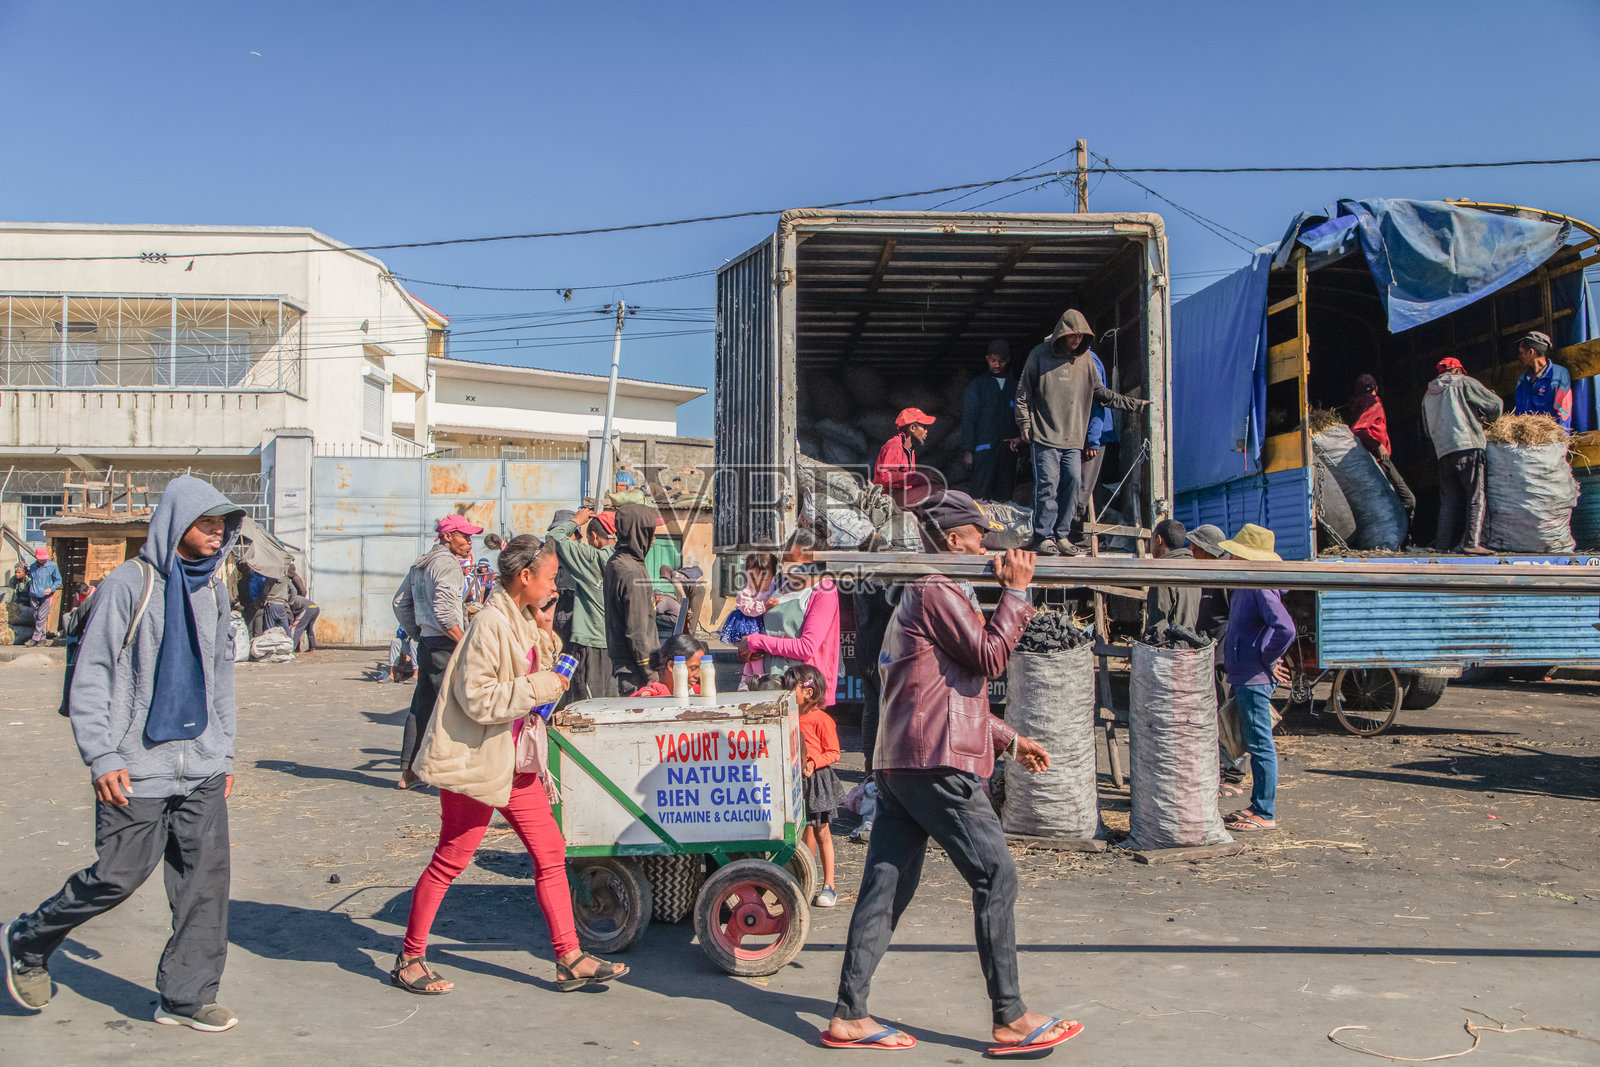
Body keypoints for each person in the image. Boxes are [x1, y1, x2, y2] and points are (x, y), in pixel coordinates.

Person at [826, 491, 1077, 1056]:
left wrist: (1011, 741)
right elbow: (990, 659)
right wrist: (1016, 594)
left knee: (887, 887)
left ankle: (848, 1014)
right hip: (935, 763)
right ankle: (1011, 1017)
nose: (986, 544)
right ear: (954, 538)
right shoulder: (936, 588)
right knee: (996, 875)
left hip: (903, 762)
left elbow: (945, 695)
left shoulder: (929, 594)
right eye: (978, 535)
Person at [4, 477, 245, 1030]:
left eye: (222, 524)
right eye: (205, 521)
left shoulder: (213, 589)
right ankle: (29, 937)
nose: (216, 533)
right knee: (117, 875)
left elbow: (220, 675)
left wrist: (223, 752)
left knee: (205, 887)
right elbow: (92, 675)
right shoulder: (128, 584)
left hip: (202, 766)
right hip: (135, 767)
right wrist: (103, 755)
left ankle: (185, 998)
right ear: (175, 523)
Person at [396, 534, 629, 996]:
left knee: (550, 854)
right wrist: (542, 686)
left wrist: (545, 634)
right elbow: (479, 699)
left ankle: (569, 957)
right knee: (451, 859)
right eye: (549, 577)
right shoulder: (488, 624)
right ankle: (409, 957)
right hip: (478, 765)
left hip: (517, 763)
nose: (554, 585)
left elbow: (534, 671)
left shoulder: (519, 619)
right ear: (525, 577)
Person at [1015, 309, 1147, 557]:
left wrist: (1134, 404)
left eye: (1081, 336)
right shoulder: (1039, 355)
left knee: (1074, 483)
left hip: (1073, 440)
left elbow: (1102, 394)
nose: (1076, 340)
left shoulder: (1086, 359)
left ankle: (1062, 536)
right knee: (1048, 487)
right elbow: (1022, 394)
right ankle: (1044, 536)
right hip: (1045, 437)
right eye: (1072, 335)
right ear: (1062, 333)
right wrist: (1025, 425)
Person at [393, 513, 483, 789]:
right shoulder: (447, 565)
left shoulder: (421, 564)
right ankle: (452, 771)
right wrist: (465, 641)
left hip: (430, 644)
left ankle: (409, 772)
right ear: (447, 537)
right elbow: (445, 613)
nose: (469, 542)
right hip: (446, 645)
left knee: (422, 707)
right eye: (464, 536)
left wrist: (419, 633)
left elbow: (400, 603)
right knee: (457, 708)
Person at [1216, 524, 1296, 833]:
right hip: (1248, 675)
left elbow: (1285, 628)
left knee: (1261, 746)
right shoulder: (1247, 586)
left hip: (1253, 677)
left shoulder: (1259, 587)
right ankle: (1258, 805)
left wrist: (1266, 656)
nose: (1231, 560)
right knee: (1254, 742)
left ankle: (1265, 812)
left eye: (1236, 555)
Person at [739, 530, 840, 708]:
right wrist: (752, 650)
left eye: (795, 563)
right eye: (785, 561)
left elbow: (806, 647)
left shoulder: (824, 590)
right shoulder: (780, 586)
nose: (787, 569)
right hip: (768, 683)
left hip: (801, 691)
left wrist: (758, 641)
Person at [1186, 523, 1245, 797]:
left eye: (1194, 545)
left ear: (1205, 549)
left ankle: (1232, 775)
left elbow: (1236, 617)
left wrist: (1229, 653)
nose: (1190, 549)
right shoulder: (1209, 571)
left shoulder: (1224, 576)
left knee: (1225, 714)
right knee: (1215, 713)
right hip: (1212, 652)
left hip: (1222, 656)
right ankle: (1221, 770)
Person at [1422, 357, 1503, 555]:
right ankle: (1471, 543)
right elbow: (1495, 404)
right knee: (1476, 497)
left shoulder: (1428, 394)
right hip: (1468, 446)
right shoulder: (1463, 383)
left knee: (1449, 501)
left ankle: (1441, 546)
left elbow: (1426, 429)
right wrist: (1488, 421)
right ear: (1457, 370)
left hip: (1443, 452)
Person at [546, 506, 618, 702]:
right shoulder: (624, 558)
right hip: (604, 641)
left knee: (586, 700)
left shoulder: (588, 558)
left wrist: (576, 521)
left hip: (589, 640)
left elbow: (554, 537)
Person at [789, 662, 842, 909]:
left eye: (792, 690)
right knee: (803, 831)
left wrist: (813, 761)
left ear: (808, 693)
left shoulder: (822, 720)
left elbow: (833, 752)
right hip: (797, 782)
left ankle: (829, 885)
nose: (788, 694)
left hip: (817, 781)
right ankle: (806, 881)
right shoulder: (789, 717)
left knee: (822, 832)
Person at [603, 504, 661, 695]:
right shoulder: (630, 571)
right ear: (637, 532)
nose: (653, 538)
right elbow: (636, 631)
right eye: (650, 532)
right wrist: (652, 674)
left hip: (630, 667)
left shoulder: (620, 561)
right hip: (637, 673)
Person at [1346, 374, 1416, 522]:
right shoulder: (1373, 402)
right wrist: (1378, 446)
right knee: (1407, 500)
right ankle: (1403, 540)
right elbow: (1358, 429)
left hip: (1364, 461)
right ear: (1376, 388)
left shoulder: (1354, 405)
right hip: (1378, 460)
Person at [960, 340, 1020, 501]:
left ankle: (1001, 526)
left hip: (1008, 449)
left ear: (1007, 360)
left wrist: (1022, 438)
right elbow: (968, 418)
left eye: (1001, 360)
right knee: (979, 494)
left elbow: (1024, 415)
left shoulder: (1015, 387)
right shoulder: (978, 386)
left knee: (1005, 495)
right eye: (993, 360)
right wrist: (968, 450)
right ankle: (978, 526)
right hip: (984, 448)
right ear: (987, 359)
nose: (997, 364)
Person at [1073, 347, 1119, 541]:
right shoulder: (1077, 360)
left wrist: (1092, 440)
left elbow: (1096, 402)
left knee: (1081, 488)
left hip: (1092, 438)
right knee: (1088, 486)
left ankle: (1079, 536)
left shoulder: (1088, 360)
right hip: (1083, 436)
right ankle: (1091, 535)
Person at [721, 552, 780, 687]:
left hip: (760, 623)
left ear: (772, 576)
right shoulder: (746, 592)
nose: (758, 583)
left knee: (756, 654)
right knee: (754, 653)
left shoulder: (774, 586)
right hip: (750, 624)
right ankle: (758, 680)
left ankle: (746, 682)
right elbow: (747, 609)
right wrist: (765, 606)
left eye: (764, 578)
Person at [872, 407, 937, 506]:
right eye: (924, 427)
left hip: (900, 497)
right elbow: (885, 478)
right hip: (886, 500)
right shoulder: (894, 445)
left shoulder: (910, 449)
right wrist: (918, 477)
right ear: (912, 428)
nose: (926, 431)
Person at [1145, 518, 1200, 635]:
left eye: (1152, 538)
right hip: (1190, 645)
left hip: (1171, 648)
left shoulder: (1163, 574)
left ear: (1159, 540)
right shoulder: (1195, 569)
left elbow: (1157, 626)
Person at [1511, 331, 1572, 432]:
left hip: (1548, 440)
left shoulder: (1558, 374)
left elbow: (1563, 411)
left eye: (1521, 353)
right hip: (1526, 440)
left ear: (1531, 352)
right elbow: (1519, 413)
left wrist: (1561, 441)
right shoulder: (1523, 379)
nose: (1519, 357)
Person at [629, 633, 707, 697]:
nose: (698, 675)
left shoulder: (700, 692)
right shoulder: (650, 695)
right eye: (693, 668)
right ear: (672, 666)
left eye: (700, 669)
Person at [26, 545, 62, 646]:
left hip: (46, 595)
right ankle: (43, 638)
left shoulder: (52, 566)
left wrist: (51, 588)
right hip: (34, 595)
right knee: (36, 616)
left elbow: (58, 580)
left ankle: (35, 638)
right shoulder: (32, 567)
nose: (43, 561)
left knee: (41, 616)